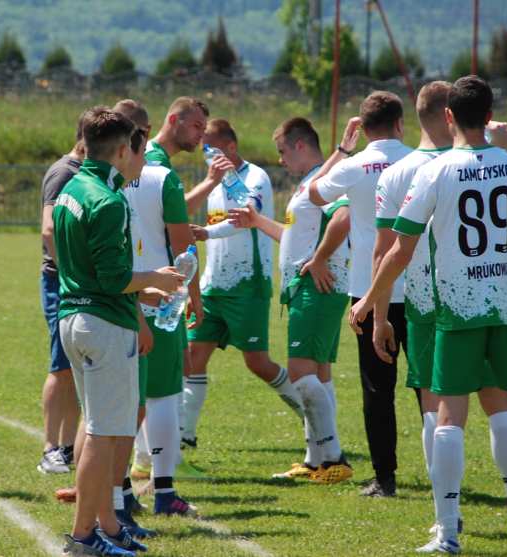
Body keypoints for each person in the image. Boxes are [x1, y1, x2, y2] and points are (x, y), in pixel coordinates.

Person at [351, 75, 507, 555]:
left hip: (457, 311)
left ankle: (447, 535)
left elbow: (399, 251)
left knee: (449, 417)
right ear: (490, 116)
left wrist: (368, 300)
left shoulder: (434, 172)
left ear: (449, 116)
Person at [373, 81, 507, 535]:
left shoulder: (404, 171)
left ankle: (445, 522)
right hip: (497, 296)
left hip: (435, 304)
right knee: (500, 402)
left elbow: (387, 249)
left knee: (440, 407)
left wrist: (374, 309)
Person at [55, 107, 183, 556]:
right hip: (103, 325)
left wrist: (139, 293)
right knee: (103, 433)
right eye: (139, 148)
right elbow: (112, 278)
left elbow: (94, 271)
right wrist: (154, 280)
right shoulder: (108, 201)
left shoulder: (74, 186)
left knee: (99, 429)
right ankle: (84, 536)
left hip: (76, 317)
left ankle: (107, 526)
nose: (141, 157)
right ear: (124, 150)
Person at [229, 117, 352, 484]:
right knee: (319, 374)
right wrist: (256, 221)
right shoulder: (309, 182)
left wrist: (317, 260)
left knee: (300, 376)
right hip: (310, 289)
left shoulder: (325, 181)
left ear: (300, 145)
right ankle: (315, 459)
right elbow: (292, 236)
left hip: (318, 288)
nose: (280, 159)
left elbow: (343, 217)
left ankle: (334, 460)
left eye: (283, 151)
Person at [307, 91, 412, 497]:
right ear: (400, 123)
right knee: (428, 386)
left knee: (377, 388)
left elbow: (314, 194)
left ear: (363, 129)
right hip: (419, 286)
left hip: (368, 290)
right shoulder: (420, 160)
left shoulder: (355, 165)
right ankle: (443, 472)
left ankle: (385, 479)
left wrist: (342, 149)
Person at [183, 118, 303, 450]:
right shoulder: (214, 182)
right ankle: (184, 438)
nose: (206, 154)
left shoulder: (256, 178)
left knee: (257, 363)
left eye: (211, 147)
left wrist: (206, 232)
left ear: (231, 147)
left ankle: (310, 416)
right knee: (193, 356)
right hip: (213, 286)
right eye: (204, 149)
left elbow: (244, 219)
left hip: (247, 284)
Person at [117, 98, 201, 517]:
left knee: (120, 399)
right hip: (159, 298)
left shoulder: (94, 178)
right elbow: (183, 249)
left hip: (113, 301)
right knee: (164, 394)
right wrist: (191, 295)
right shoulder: (162, 176)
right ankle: (165, 492)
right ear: (144, 134)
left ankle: (118, 490)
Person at [37, 110, 90, 474]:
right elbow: (48, 229)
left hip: (74, 280)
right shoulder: (64, 172)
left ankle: (69, 447)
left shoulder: (83, 173)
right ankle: (50, 447)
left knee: (73, 365)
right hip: (61, 280)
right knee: (60, 365)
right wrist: (72, 272)